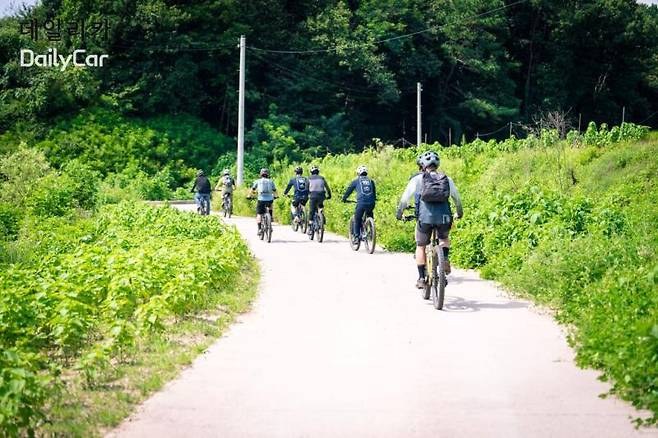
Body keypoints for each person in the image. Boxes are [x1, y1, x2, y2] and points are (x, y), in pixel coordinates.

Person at [396, 151, 463, 289]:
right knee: (444, 239)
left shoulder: (417, 179)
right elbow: (457, 199)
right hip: (444, 217)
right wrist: (459, 213)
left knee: (420, 246)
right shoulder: (446, 179)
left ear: (423, 165)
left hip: (424, 218)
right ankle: (443, 260)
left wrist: (399, 213)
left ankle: (421, 278)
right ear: (437, 165)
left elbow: (404, 200)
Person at [342, 165, 376, 244]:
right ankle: (371, 232)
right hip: (371, 203)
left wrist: (344, 198)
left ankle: (356, 237)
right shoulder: (371, 181)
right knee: (370, 214)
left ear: (358, 173)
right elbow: (374, 194)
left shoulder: (356, 181)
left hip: (361, 203)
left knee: (357, 218)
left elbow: (349, 190)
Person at [250, 168, 278, 233]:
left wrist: (249, 195)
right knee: (270, 204)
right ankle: (270, 217)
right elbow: (274, 190)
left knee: (259, 214)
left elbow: (253, 189)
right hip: (269, 199)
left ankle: (259, 229)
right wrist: (276, 196)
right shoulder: (271, 181)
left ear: (261, 174)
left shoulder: (257, 181)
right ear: (267, 174)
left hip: (261, 199)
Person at [307, 165, 332, 234]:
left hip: (313, 196)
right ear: (318, 172)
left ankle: (310, 227)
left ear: (311, 172)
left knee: (312, 211)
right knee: (320, 206)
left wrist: (307, 196)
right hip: (321, 196)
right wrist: (329, 196)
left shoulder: (309, 178)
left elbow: (306, 189)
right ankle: (321, 215)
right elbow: (327, 188)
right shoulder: (322, 178)